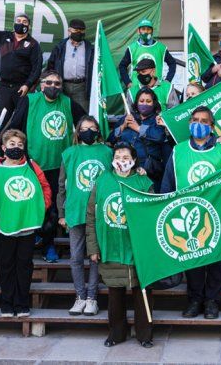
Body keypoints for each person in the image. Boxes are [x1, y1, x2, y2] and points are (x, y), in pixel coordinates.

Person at [160, 106, 221, 319]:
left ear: (212, 126)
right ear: (189, 123)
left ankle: (212, 302)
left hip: (215, 214)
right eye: (195, 119)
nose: (199, 124)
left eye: (204, 121)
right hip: (186, 214)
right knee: (193, 260)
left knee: (216, 261)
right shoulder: (178, 150)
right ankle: (195, 300)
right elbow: (169, 182)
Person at [8, 70, 87, 263]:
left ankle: (48, 245)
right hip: (33, 164)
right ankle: (36, 235)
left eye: (57, 84)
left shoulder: (67, 103)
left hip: (59, 166)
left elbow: (85, 122)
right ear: (42, 85)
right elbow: (15, 127)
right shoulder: (29, 101)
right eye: (49, 83)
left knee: (51, 207)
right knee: (32, 204)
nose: (53, 86)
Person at [0, 129, 52, 317]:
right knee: (6, 266)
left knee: (24, 266)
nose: (16, 148)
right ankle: (7, 303)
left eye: (20, 145)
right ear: (3, 147)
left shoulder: (32, 167)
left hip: (27, 226)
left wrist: (41, 207)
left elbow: (44, 187)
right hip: (4, 227)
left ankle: (22, 304)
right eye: (12, 145)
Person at [86, 142, 154, 348]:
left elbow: (153, 214)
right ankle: (116, 334)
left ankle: (145, 335)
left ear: (134, 160)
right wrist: (93, 248)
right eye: (118, 156)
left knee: (142, 296)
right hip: (110, 247)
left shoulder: (144, 182)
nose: (121, 161)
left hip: (138, 249)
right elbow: (91, 216)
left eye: (126, 157)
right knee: (115, 296)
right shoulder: (102, 181)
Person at [57, 117, 112, 316]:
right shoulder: (69, 153)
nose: (88, 131)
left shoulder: (107, 152)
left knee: (95, 257)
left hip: (99, 212)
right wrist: (61, 213)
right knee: (76, 257)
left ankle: (92, 297)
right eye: (84, 128)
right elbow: (62, 185)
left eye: (92, 128)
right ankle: (79, 296)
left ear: (98, 131)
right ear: (78, 132)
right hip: (75, 211)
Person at [108, 88, 169, 185]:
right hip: (125, 168)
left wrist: (138, 128)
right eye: (141, 101)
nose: (144, 104)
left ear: (154, 104)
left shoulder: (158, 119)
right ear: (136, 103)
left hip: (148, 170)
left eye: (148, 101)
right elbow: (110, 139)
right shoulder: (128, 117)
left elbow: (159, 136)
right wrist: (123, 126)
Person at [46, 19, 94, 111]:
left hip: (82, 87)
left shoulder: (90, 48)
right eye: (76, 30)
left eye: (81, 30)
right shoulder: (59, 47)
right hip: (61, 86)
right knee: (61, 111)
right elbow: (50, 66)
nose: (79, 33)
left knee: (82, 114)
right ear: (69, 31)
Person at [118, 18, 177, 88]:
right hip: (137, 88)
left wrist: (168, 80)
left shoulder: (161, 48)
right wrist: (128, 82)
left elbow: (172, 63)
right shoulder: (132, 48)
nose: (146, 32)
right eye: (143, 29)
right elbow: (122, 66)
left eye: (148, 29)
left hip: (157, 88)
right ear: (138, 31)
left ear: (152, 31)